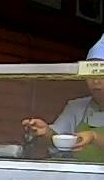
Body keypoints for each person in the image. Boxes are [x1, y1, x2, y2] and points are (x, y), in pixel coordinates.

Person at [21, 33, 104, 162]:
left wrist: (94, 137)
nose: (96, 81)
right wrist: (46, 132)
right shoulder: (76, 107)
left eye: (101, 74)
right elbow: (58, 140)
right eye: (90, 74)